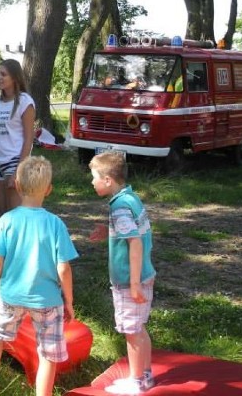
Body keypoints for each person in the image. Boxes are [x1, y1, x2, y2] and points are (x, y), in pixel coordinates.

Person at [0, 156, 77, 396]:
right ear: (48, 190)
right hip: (47, 299)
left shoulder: (6, 221)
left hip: (11, 294)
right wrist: (68, 300)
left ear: (16, 185)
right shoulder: (56, 224)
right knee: (48, 353)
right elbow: (64, 269)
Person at [88, 150, 156, 395]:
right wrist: (108, 229)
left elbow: (135, 243)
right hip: (143, 274)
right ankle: (145, 376)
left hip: (130, 280)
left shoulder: (119, 207)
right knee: (139, 328)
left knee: (131, 331)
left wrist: (134, 283)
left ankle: (136, 382)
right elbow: (134, 231)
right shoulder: (130, 198)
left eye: (94, 177)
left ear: (108, 180)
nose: (92, 181)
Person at [0, 59, 36, 216]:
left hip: (14, 161)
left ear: (15, 78)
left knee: (15, 216)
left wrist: (18, 170)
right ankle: (5, 241)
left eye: (3, 74)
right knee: (3, 217)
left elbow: (29, 138)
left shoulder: (25, 102)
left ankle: (18, 241)